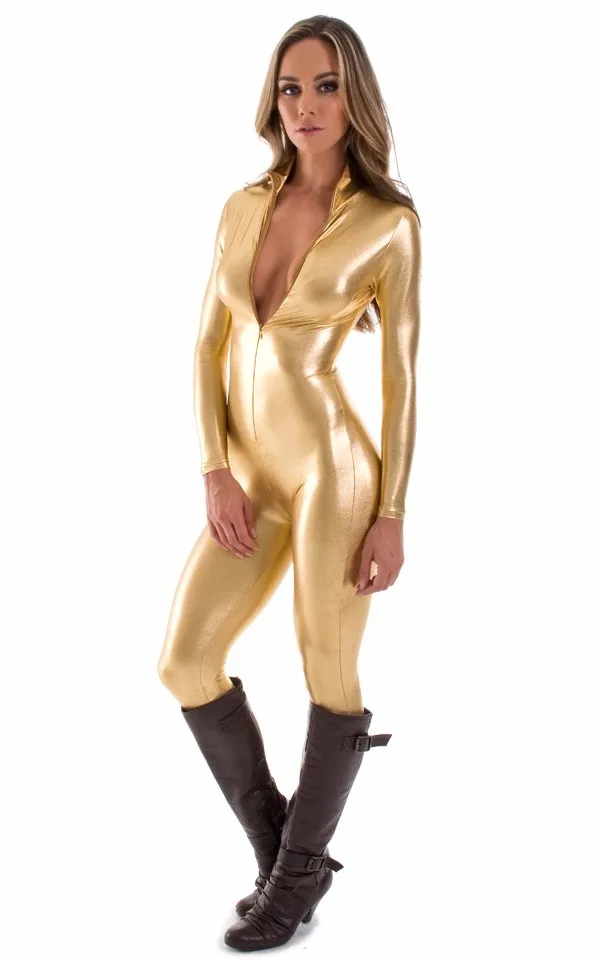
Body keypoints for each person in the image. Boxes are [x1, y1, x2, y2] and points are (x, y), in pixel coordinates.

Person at [157, 13, 421, 952]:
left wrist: (391, 512)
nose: (305, 105)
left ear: (355, 97)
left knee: (326, 668)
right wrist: (214, 469)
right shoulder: (243, 205)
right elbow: (206, 346)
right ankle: (288, 853)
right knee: (184, 660)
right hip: (249, 479)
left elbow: (401, 378)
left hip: (331, 473)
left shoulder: (388, 222)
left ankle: (295, 875)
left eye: (326, 86)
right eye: (290, 87)